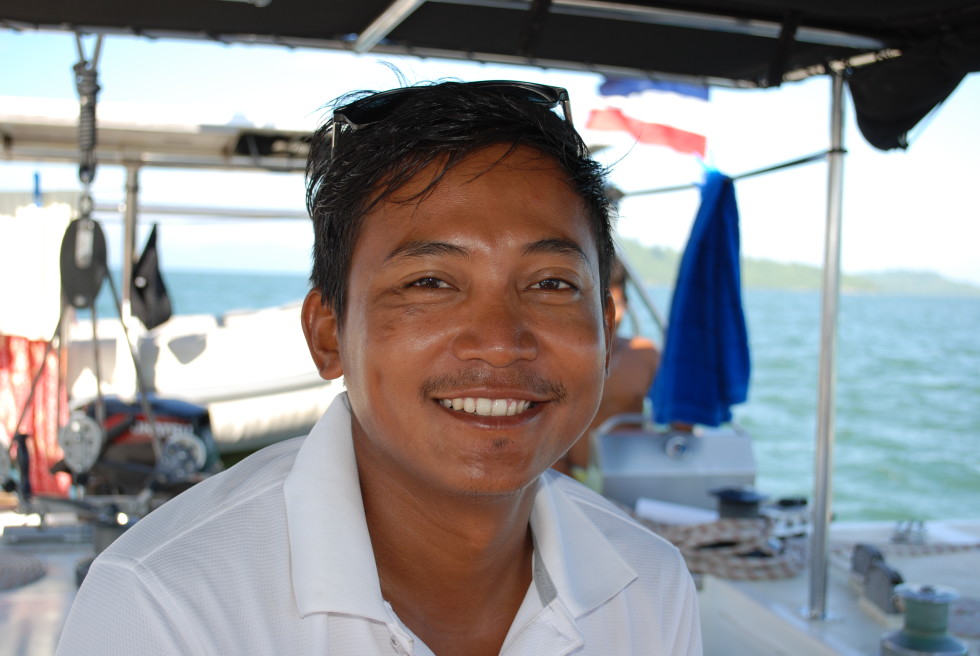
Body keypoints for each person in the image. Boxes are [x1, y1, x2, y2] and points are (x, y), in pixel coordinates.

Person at [56, 80, 702, 655]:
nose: (501, 342)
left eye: (552, 284)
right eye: (430, 281)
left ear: (606, 330)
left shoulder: (649, 585)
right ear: (329, 333)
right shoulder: (165, 605)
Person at [554, 257, 661, 481]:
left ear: (626, 306)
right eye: (598, 306)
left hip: (633, 477)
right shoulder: (561, 357)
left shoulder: (646, 356)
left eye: (615, 306)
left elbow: (676, 414)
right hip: (572, 476)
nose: (607, 316)